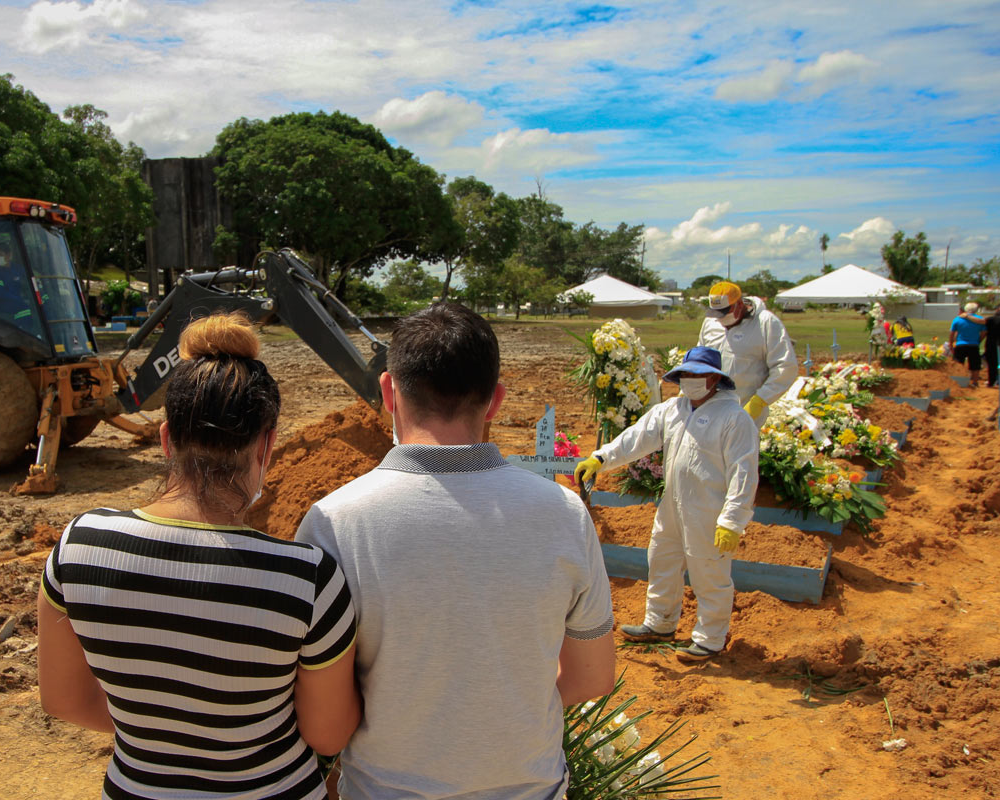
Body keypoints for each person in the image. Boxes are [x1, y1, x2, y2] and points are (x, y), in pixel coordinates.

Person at [296, 303, 615, 800]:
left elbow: (324, 713)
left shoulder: (333, 522)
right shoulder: (564, 514)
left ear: (388, 392)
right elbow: (592, 677)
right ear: (495, 401)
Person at [38, 312, 360, 800]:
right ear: (267, 446)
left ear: (166, 439)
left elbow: (63, 700)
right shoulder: (307, 579)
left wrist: (165, 729)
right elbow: (329, 736)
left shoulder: (79, 545)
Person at [575, 346, 758, 664]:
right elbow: (637, 437)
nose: (690, 379)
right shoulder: (673, 410)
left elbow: (744, 472)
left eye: (698, 374)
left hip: (709, 512)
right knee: (662, 561)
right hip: (672, 505)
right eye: (686, 374)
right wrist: (601, 458)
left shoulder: (734, 418)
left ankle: (710, 638)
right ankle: (660, 622)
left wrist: (732, 520)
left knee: (708, 573)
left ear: (715, 379)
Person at [698, 280, 798, 427]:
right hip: (710, 409)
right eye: (716, 313)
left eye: (725, 312)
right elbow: (700, 359)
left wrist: (760, 400)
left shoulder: (765, 322)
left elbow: (785, 366)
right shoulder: (710, 322)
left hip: (746, 409)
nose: (720, 318)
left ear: (739, 304)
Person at [0, 239, 39, 334]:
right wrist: (20, 300)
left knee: (43, 305)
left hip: (18, 299)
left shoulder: (17, 269)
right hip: (0, 303)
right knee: (23, 308)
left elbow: (29, 281)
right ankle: (25, 333)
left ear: (9, 255)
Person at [950, 302, 986, 387]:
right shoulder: (980, 319)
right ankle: (975, 382)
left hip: (960, 344)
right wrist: (978, 340)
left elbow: (952, 333)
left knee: (958, 364)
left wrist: (951, 343)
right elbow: (984, 332)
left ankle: (958, 382)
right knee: (975, 364)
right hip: (974, 344)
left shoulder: (957, 319)